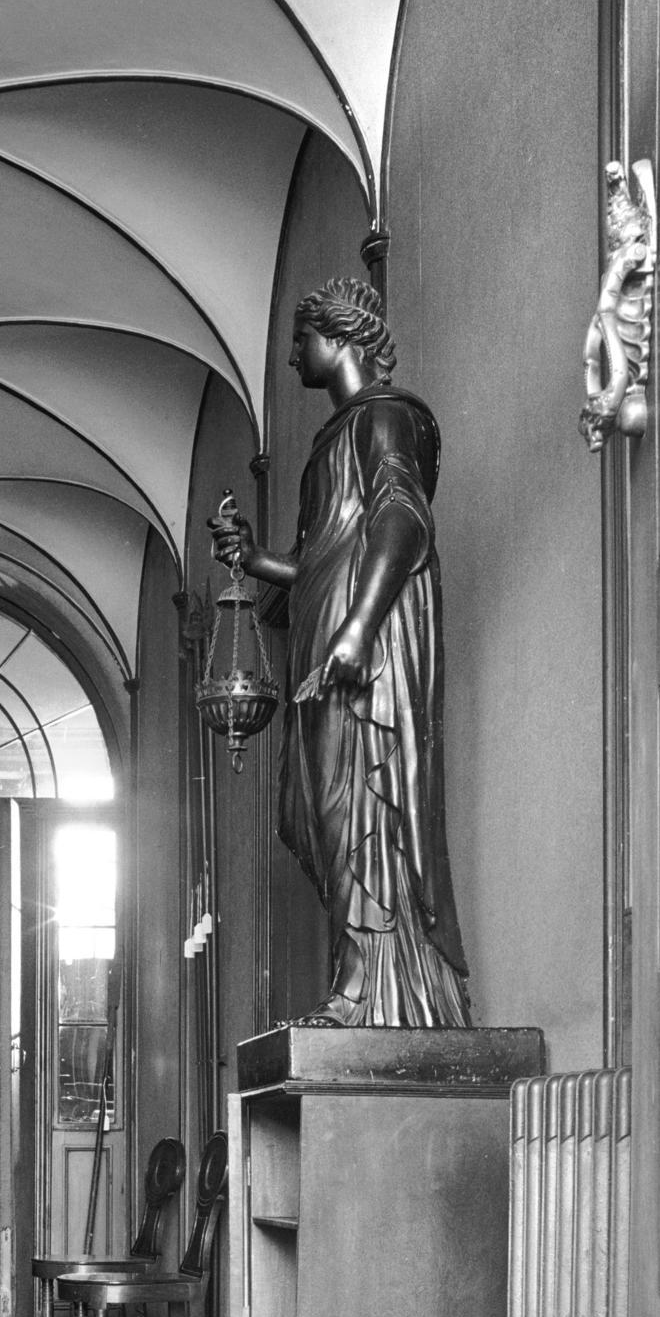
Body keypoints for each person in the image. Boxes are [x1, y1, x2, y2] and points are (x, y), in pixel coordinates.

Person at [217, 276, 471, 1028]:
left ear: (339, 337)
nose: (295, 355)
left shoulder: (387, 418)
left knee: (363, 806)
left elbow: (400, 520)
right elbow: (326, 552)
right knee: (329, 823)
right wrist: (259, 558)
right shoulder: (333, 438)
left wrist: (359, 627)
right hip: (329, 643)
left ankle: (374, 992)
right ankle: (357, 983)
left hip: (368, 651)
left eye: (301, 339)